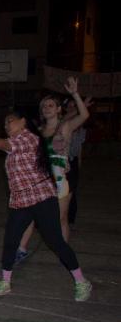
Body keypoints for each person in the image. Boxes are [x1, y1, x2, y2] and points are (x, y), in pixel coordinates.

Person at [0, 114, 91, 301]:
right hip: (20, 201)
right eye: (5, 122)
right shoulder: (15, 142)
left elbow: (3, 145)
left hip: (41, 197)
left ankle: (81, 281)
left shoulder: (28, 138)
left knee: (55, 241)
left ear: (24, 121)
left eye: (10, 120)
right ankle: (6, 281)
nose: (6, 124)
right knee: (10, 241)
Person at [15, 80, 90, 262]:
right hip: (39, 179)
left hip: (59, 179)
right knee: (30, 215)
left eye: (51, 105)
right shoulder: (38, 131)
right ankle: (21, 249)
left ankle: (62, 251)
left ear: (58, 109)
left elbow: (84, 115)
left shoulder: (64, 127)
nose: (47, 108)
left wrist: (75, 94)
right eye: (44, 106)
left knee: (60, 218)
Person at [65, 97, 92, 226]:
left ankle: (70, 218)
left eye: (74, 106)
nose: (72, 108)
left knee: (72, 191)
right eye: (70, 106)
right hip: (59, 162)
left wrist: (78, 165)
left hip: (72, 161)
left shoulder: (80, 128)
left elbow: (79, 149)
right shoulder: (61, 123)